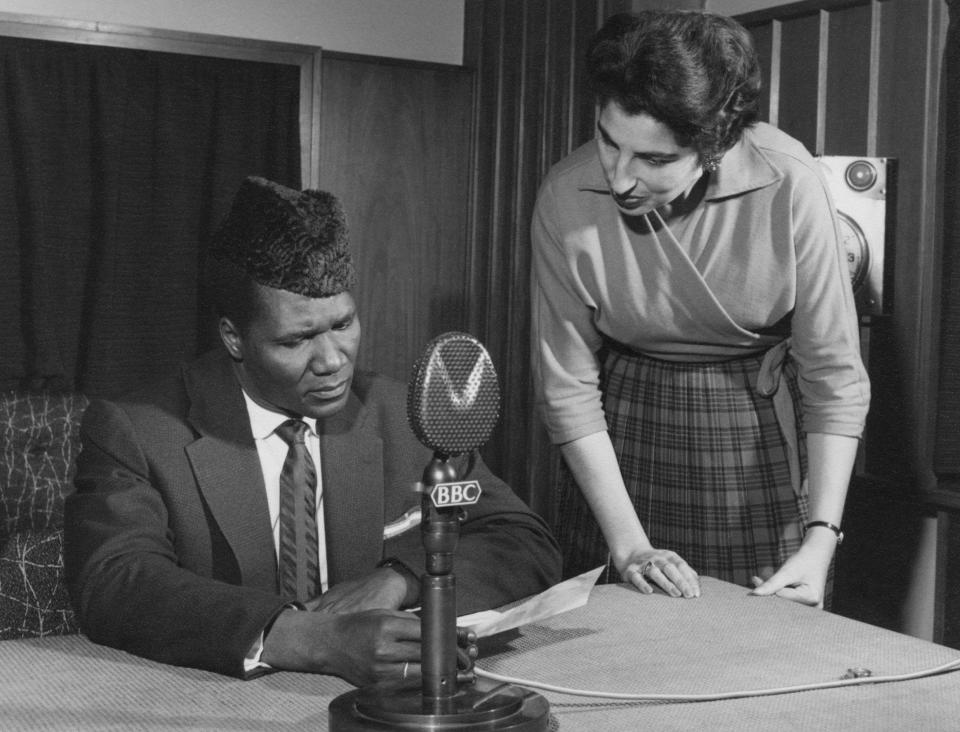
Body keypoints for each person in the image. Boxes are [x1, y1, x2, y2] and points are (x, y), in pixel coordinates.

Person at [65, 176, 561, 685]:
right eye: (297, 340)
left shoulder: (405, 414)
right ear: (234, 338)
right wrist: (313, 640)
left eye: (342, 325)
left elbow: (523, 541)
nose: (332, 361)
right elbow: (115, 580)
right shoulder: (139, 429)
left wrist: (401, 579)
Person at [530, 10, 869, 608]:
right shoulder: (564, 193)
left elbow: (833, 375)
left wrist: (822, 541)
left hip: (755, 431)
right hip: (620, 433)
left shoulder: (788, 181)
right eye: (610, 141)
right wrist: (630, 547)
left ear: (714, 145)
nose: (620, 178)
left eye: (655, 160)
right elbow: (567, 388)